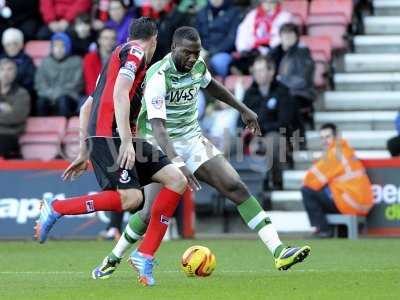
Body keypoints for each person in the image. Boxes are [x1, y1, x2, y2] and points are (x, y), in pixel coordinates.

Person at [92, 26, 310, 285]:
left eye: (196, 53)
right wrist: (178, 163)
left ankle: (279, 251)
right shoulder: (158, 76)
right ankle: (112, 259)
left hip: (193, 139)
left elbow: (213, 87)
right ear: (174, 49)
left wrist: (243, 109)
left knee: (235, 186)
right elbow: (159, 128)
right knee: (148, 211)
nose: (193, 58)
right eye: (187, 53)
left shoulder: (197, 66)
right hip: (156, 144)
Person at [34, 18, 188, 287]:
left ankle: (145, 255)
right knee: (130, 199)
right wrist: (126, 141)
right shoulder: (136, 53)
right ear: (153, 40)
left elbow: (86, 107)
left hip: (111, 136)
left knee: (176, 181)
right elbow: (120, 94)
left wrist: (84, 149)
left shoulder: (114, 61)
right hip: (112, 136)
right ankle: (56, 208)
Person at [301, 123, 374, 238]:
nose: (325, 141)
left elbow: (310, 180)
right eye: (322, 138)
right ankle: (340, 231)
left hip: (350, 203)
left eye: (328, 137)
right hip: (361, 203)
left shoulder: (335, 153)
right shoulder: (346, 150)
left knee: (307, 190)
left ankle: (323, 229)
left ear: (336, 137)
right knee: (328, 188)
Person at [241, 55, 297, 190]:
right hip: (253, 135)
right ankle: (234, 189)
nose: (257, 74)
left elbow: (284, 122)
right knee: (229, 143)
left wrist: (260, 131)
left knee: (272, 141)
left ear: (271, 71)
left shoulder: (283, 91)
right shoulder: (249, 93)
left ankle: (276, 183)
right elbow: (240, 119)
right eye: (255, 71)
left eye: (261, 70)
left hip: (278, 134)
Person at [270, 23, 316, 144]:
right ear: (280, 36)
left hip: (300, 92)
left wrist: (282, 82)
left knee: (288, 101)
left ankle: (297, 138)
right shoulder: (274, 53)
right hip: (278, 92)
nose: (287, 37)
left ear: (297, 36)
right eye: (285, 34)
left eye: (291, 34)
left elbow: (303, 80)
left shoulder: (303, 52)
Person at [232, 0, 291, 74]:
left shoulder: (284, 16)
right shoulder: (252, 15)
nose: (268, 5)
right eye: (265, 2)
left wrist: (266, 48)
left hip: (272, 50)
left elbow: (282, 37)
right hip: (253, 50)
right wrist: (246, 48)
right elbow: (243, 33)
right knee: (234, 64)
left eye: (271, 2)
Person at [34, 32, 83, 117]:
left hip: (68, 96)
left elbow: (77, 83)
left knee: (63, 101)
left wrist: (57, 93)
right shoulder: (45, 62)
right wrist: (50, 93)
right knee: (41, 102)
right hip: (48, 95)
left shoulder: (77, 61)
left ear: (68, 47)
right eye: (55, 46)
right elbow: (39, 83)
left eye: (62, 46)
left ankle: (63, 128)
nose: (58, 49)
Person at [195, 0, 242, 77]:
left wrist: (211, 53)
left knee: (218, 62)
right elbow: (194, 35)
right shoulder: (202, 12)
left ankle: (213, 87)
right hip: (202, 50)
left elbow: (231, 39)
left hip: (224, 52)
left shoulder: (234, 12)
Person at [0, 58, 30, 158]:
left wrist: (10, 113)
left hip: (9, 135)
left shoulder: (22, 94)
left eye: (10, 69)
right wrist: (6, 111)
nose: (5, 73)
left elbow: (16, 117)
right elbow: (9, 115)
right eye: (2, 69)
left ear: (15, 73)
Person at [0, 28, 36, 95]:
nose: (12, 47)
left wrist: (14, 86)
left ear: (21, 45)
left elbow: (31, 79)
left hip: (20, 92)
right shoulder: (1, 58)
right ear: (4, 45)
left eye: (15, 43)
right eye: (8, 44)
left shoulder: (26, 59)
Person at [83, 27, 117, 96]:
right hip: (93, 97)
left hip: (112, 97)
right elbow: (91, 83)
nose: (109, 42)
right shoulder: (89, 58)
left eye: (112, 39)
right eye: (106, 38)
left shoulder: (120, 59)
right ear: (99, 40)